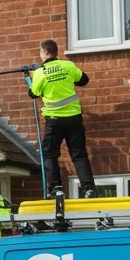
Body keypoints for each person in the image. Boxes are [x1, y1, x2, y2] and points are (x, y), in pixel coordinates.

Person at [29, 39, 96, 198]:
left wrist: (32, 77)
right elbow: (84, 80)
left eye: (40, 52)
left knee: (50, 154)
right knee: (79, 154)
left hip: (54, 120)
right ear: (56, 52)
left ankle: (57, 187)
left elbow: (33, 94)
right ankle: (88, 189)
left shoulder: (40, 73)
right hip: (74, 118)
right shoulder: (68, 66)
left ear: (44, 52)